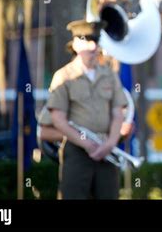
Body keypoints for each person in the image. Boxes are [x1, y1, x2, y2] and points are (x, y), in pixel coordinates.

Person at [47, 19, 128, 199]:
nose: (92, 46)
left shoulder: (110, 76)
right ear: (75, 44)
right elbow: (58, 119)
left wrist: (110, 143)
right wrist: (87, 144)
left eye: (96, 40)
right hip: (77, 151)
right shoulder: (63, 76)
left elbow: (117, 114)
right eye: (87, 40)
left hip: (107, 151)